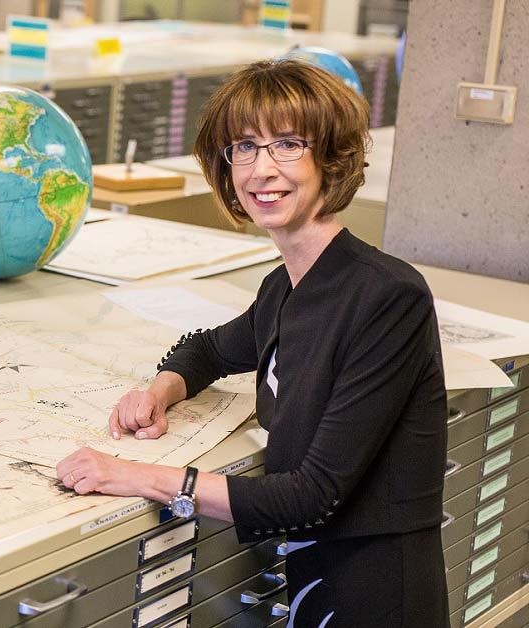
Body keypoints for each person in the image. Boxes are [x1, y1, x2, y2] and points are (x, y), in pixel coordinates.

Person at [56, 59, 449, 627]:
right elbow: (209, 349)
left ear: (330, 157)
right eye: (244, 147)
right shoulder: (285, 286)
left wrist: (136, 475)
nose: (261, 169)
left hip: (378, 594)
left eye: (288, 144)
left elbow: (314, 495)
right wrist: (162, 390)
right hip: (314, 577)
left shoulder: (387, 297)